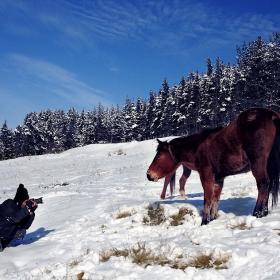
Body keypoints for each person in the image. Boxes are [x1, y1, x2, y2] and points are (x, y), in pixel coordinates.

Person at [0, 184, 38, 252]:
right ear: (20, 201)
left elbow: (24, 226)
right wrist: (26, 209)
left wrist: (31, 213)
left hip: (4, 235)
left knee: (22, 232)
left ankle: (4, 247)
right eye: (25, 202)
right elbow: (14, 218)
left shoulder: (21, 210)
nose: (26, 204)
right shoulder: (8, 204)